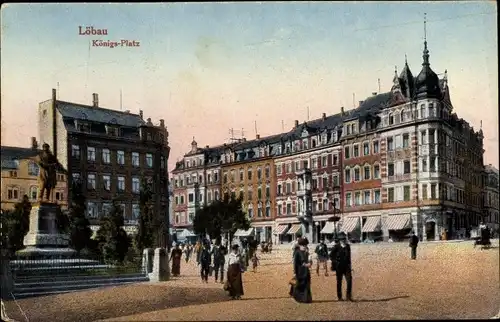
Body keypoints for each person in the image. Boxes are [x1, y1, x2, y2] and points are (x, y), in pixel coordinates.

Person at [291, 237, 312, 303]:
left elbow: (309, 262)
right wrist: (294, 272)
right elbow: (296, 263)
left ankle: (306, 299)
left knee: (307, 285)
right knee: (300, 285)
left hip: (306, 272)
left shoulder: (306, 252)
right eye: (303, 245)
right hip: (299, 271)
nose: (305, 246)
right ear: (300, 245)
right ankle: (299, 298)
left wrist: (310, 261)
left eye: (305, 245)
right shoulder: (297, 252)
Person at [335, 235, 353, 301]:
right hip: (339, 267)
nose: (343, 240)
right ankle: (339, 297)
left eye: (344, 239)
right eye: (342, 239)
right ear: (340, 240)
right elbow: (331, 255)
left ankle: (348, 296)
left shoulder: (348, 246)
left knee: (349, 281)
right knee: (339, 282)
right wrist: (336, 262)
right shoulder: (336, 246)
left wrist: (350, 266)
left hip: (347, 267)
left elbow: (349, 257)